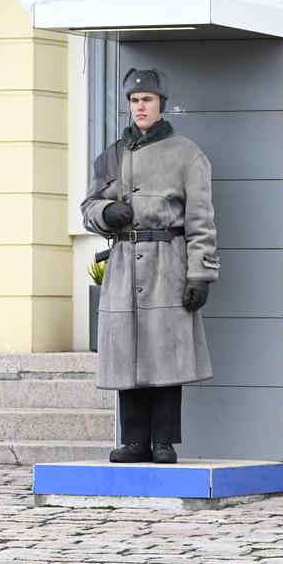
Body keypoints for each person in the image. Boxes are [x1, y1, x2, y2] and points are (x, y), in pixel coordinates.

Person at [81, 68, 219, 465]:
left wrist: (201, 272)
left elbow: (201, 221)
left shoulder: (187, 154)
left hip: (167, 265)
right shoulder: (111, 156)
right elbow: (87, 209)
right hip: (125, 266)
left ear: (161, 104)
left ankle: (164, 442)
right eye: (134, 101)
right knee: (127, 354)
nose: (140, 107)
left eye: (147, 100)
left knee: (166, 354)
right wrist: (107, 211)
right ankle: (135, 440)